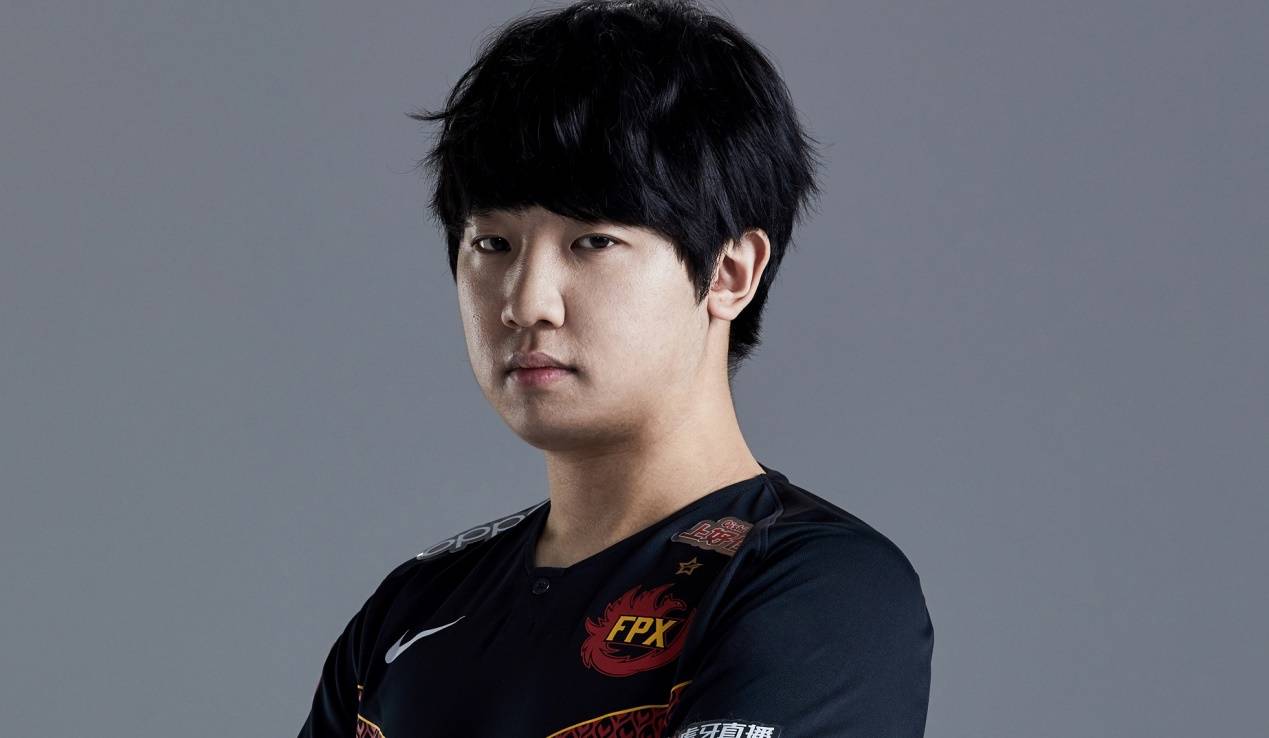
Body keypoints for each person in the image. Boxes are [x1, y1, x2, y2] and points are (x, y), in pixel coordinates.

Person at [298, 1, 933, 735]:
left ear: (729, 272)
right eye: (493, 245)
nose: (525, 303)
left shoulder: (818, 588)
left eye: (593, 242)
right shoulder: (412, 610)